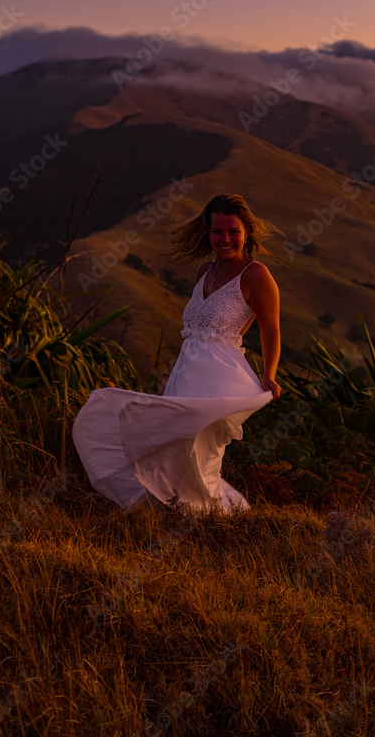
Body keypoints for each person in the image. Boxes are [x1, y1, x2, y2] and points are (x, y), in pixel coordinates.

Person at [72, 193, 281, 512]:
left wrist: (269, 374)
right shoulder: (203, 272)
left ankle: (208, 519)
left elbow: (270, 329)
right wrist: (172, 371)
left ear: (246, 232)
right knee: (169, 447)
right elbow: (195, 333)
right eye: (218, 231)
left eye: (233, 231)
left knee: (199, 451)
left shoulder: (255, 274)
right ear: (207, 233)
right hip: (185, 373)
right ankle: (177, 514)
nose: (225, 239)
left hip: (219, 379)